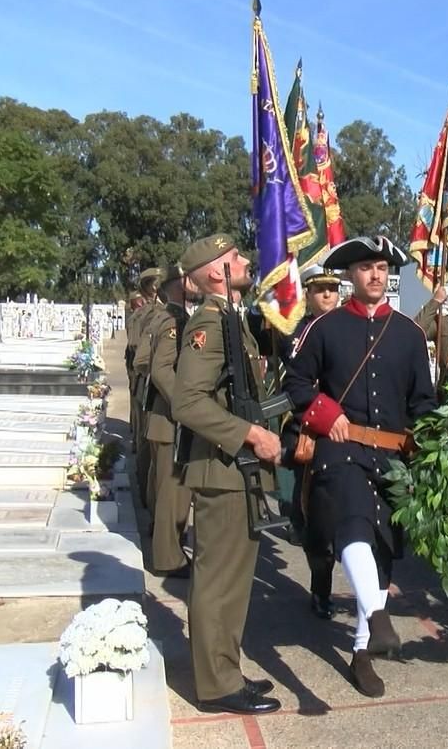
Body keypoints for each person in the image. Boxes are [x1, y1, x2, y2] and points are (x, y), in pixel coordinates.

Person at [282, 235, 436, 698]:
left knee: (383, 548)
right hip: (338, 448)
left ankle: (361, 651)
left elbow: (424, 401)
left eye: (383, 268)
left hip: (391, 455)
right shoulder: (324, 327)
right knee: (351, 523)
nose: (376, 275)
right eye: (367, 267)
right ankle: (378, 615)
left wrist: (431, 442)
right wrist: (329, 415)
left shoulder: (409, 332)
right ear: (351, 275)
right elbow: (296, 381)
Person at [170, 234, 282, 715]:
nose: (245, 261)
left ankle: (225, 668)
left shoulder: (231, 319)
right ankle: (217, 685)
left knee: (234, 582)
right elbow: (187, 401)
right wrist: (251, 436)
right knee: (218, 581)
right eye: (235, 258)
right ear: (216, 271)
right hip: (221, 470)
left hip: (234, 470)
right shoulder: (209, 324)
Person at [280, 264, 343, 619]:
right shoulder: (297, 334)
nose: (328, 296)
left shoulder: (352, 329)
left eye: (333, 290)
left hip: (343, 431)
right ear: (308, 294)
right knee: (312, 516)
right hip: (307, 429)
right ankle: (321, 583)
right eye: (321, 291)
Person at [142, 264, 196, 578]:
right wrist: (186, 404)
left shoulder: (179, 316)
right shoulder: (173, 320)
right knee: (172, 494)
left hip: (170, 418)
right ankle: (168, 558)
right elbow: (161, 369)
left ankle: (169, 549)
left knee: (174, 492)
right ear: (178, 284)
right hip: (170, 418)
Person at [128, 267, 163, 501]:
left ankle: (145, 493)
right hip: (150, 381)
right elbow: (140, 351)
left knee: (144, 438)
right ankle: (148, 498)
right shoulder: (154, 314)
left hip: (142, 380)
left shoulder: (144, 313)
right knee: (149, 446)